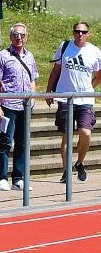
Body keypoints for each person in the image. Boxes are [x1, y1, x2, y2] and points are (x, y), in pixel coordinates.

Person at [45, 21, 101, 184]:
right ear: (73, 32)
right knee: (66, 136)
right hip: (65, 97)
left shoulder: (95, 51)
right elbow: (56, 69)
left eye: (83, 32)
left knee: (86, 132)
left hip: (85, 99)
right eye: (77, 31)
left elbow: (99, 73)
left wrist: (92, 86)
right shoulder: (65, 46)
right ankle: (66, 171)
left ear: (88, 34)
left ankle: (80, 162)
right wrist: (48, 91)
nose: (80, 34)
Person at [0, 23, 38, 191]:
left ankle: (18, 178)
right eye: (16, 35)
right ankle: (2, 178)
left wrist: (32, 99)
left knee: (22, 143)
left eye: (22, 35)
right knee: (6, 142)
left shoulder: (30, 56)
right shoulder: (3, 55)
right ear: (11, 37)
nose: (19, 38)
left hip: (25, 106)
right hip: (9, 105)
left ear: (26, 37)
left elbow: (33, 79)